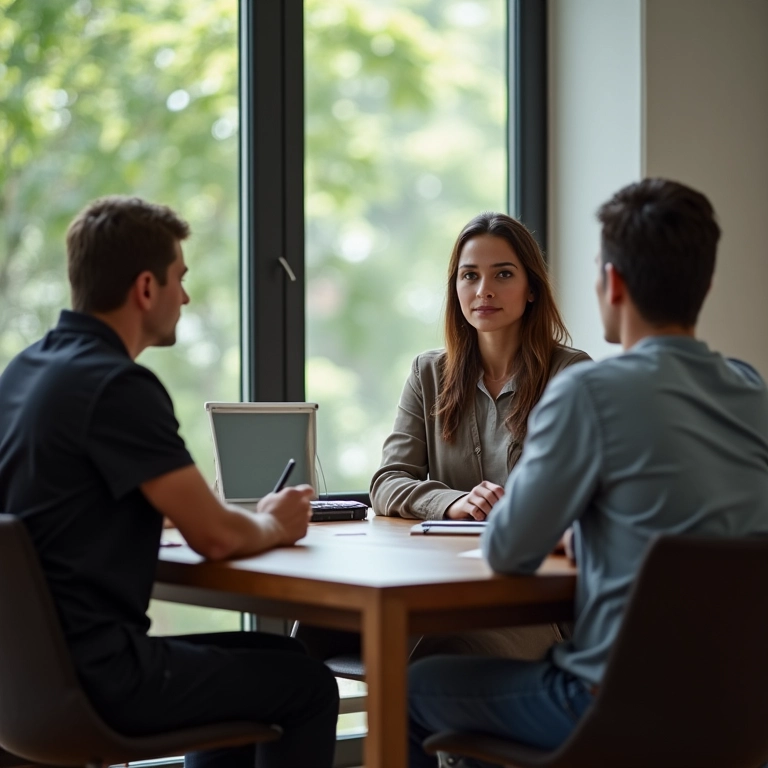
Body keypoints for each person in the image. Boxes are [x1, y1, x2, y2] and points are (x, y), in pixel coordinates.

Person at [408, 178, 768, 767]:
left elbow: (506, 550)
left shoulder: (588, 388)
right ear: (703, 284)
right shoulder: (752, 391)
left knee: (418, 684)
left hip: (610, 705)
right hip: (743, 709)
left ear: (613, 282)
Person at [0, 196, 339, 768]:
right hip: (102, 680)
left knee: (271, 658)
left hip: (25, 682)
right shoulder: (116, 386)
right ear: (145, 288)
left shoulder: (25, 370)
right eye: (179, 279)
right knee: (307, 685)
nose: (184, 297)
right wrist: (275, 523)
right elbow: (218, 538)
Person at [297, 212, 589, 664]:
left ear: (532, 288)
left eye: (503, 274)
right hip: (438, 588)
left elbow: (581, 503)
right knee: (314, 634)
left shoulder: (571, 375)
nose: (483, 290)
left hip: (529, 605)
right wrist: (451, 503)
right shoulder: (428, 372)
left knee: (439, 654)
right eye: (469, 276)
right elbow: (387, 482)